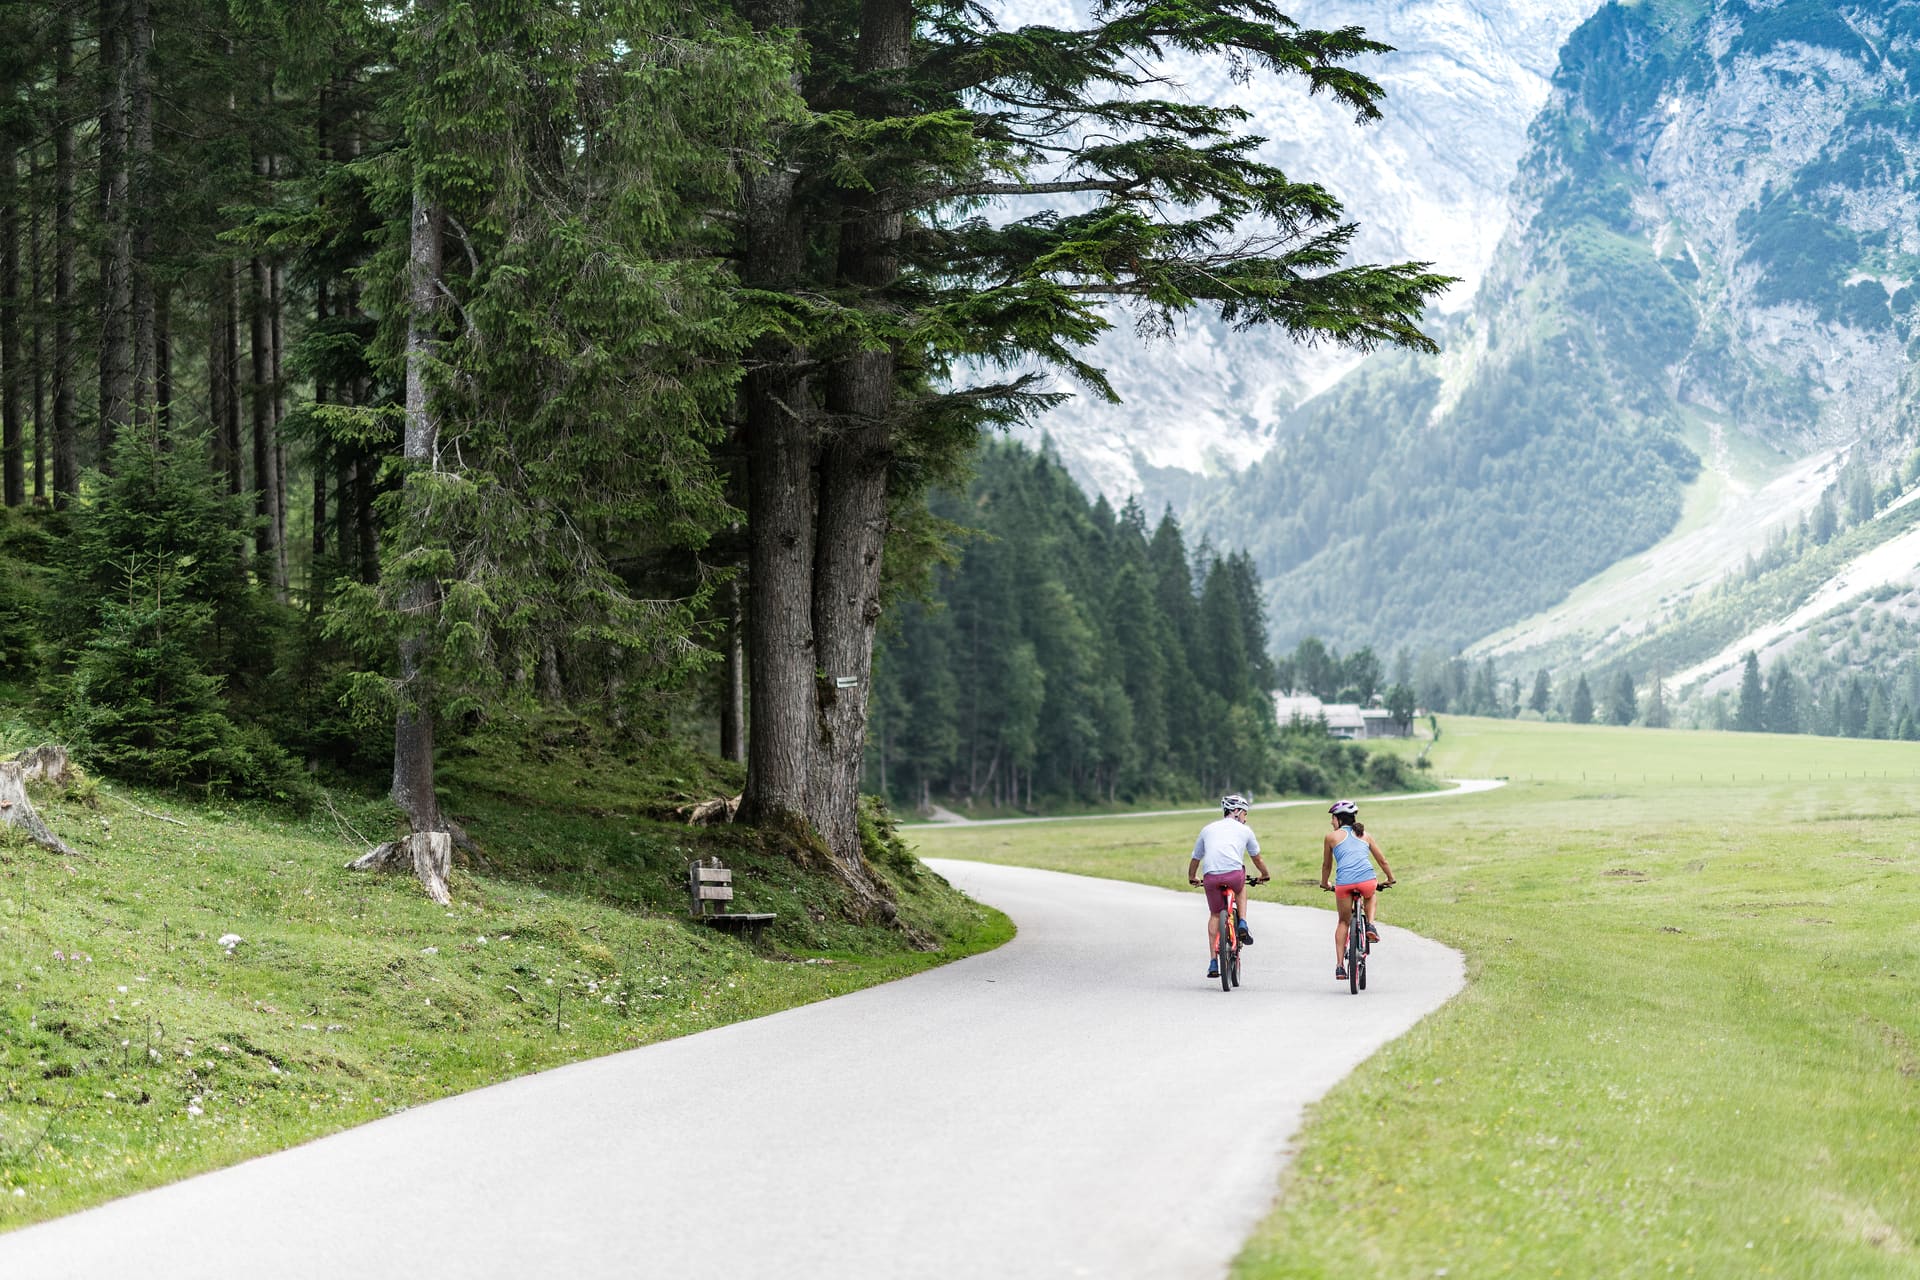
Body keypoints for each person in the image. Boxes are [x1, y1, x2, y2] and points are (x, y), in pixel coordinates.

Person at [1187, 794, 1271, 979]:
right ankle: (1242, 922)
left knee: (1215, 914)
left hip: (1210, 876)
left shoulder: (1207, 829)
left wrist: (1192, 876)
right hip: (1234, 875)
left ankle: (1212, 962)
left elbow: (1196, 858)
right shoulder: (1245, 830)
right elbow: (1257, 858)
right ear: (1236, 811)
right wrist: (1265, 875)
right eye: (1244, 813)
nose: (1245, 818)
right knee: (1241, 887)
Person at [1320, 799, 1396, 981]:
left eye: (1332, 819)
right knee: (1371, 895)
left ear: (1339, 819)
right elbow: (1382, 860)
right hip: (1366, 881)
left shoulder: (1331, 837)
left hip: (1344, 884)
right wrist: (1390, 878)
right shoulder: (1366, 836)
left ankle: (1339, 966)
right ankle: (1370, 924)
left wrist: (1325, 883)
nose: (1331, 822)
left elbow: (1326, 865)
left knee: (1343, 922)